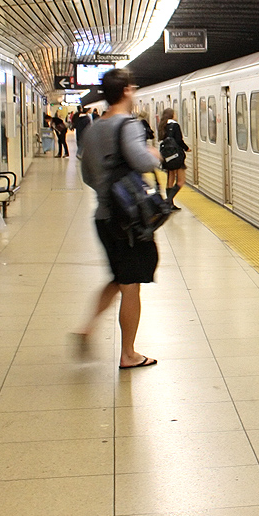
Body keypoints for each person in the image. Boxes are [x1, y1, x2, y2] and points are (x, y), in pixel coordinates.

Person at [76, 68, 162, 369]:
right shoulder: (128, 124)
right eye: (133, 86)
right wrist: (154, 154)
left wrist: (106, 189)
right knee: (130, 285)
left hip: (103, 217)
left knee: (117, 277)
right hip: (128, 221)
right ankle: (128, 354)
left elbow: (86, 174)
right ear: (126, 91)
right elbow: (141, 160)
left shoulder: (94, 127)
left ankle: (87, 327)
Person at [158, 107, 190, 209]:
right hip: (176, 156)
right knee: (181, 181)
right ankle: (168, 201)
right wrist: (187, 148)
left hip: (167, 156)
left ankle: (170, 204)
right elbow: (179, 140)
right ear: (172, 115)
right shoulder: (175, 125)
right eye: (174, 113)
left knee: (170, 178)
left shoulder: (163, 126)